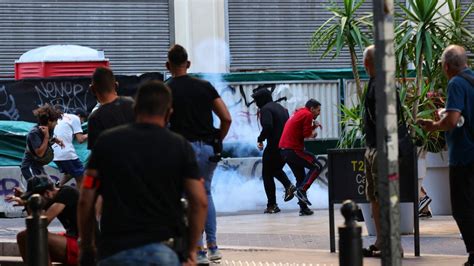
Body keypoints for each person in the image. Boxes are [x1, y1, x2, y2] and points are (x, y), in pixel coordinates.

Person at [77, 80, 208, 265]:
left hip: (115, 250)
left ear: (135, 108)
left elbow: (86, 197)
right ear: (169, 113)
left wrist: (87, 246)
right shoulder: (180, 146)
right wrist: (191, 250)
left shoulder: (107, 142)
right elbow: (200, 201)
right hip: (164, 252)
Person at [166, 44, 232, 264]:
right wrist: (217, 140)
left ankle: (198, 249)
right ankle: (213, 246)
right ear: (189, 63)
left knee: (186, 197)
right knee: (206, 194)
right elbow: (226, 118)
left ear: (168, 65)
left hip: (180, 150)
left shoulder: (167, 89)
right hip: (207, 148)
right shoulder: (205, 86)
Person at [418, 44, 474, 266]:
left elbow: (451, 121)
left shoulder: (456, 83)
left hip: (464, 155)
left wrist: (432, 125)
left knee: (462, 207)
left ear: (446, 66)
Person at [362, 44, 412, 257]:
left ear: (366, 64)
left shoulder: (380, 85)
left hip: (382, 151)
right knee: (375, 195)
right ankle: (382, 241)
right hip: (378, 148)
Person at [6, 177, 79, 265]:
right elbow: (35, 228)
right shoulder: (52, 197)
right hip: (72, 239)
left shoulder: (67, 193)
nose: (37, 202)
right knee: (23, 237)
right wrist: (27, 200)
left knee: (25, 235)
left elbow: (39, 225)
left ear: (47, 193)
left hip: (84, 245)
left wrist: (28, 203)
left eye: (37, 199)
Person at [279, 99, 326, 216]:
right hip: (293, 149)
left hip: (284, 151)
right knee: (317, 166)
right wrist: (314, 132)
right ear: (312, 108)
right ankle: (302, 190)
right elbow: (307, 135)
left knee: (301, 177)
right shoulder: (307, 114)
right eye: (318, 110)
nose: (319, 113)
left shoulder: (299, 112)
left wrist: (313, 126)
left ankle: (303, 208)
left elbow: (300, 131)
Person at [252, 88, 296, 214]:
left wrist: (260, 139)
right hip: (285, 146)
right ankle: (288, 185)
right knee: (275, 169)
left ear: (262, 99)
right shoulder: (281, 108)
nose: (255, 103)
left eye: (256, 100)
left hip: (274, 146)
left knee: (267, 174)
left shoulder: (265, 109)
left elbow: (268, 126)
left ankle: (272, 205)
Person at [87, 66, 134, 150]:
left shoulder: (94, 118)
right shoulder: (133, 105)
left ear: (92, 89)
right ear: (116, 85)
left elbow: (97, 154)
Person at [20, 104, 64, 181]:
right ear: (49, 121)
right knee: (26, 168)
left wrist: (54, 140)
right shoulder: (34, 133)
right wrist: (46, 137)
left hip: (39, 159)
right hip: (34, 156)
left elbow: (46, 143)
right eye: (55, 121)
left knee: (37, 170)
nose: (57, 123)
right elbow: (40, 153)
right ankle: (35, 186)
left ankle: (43, 186)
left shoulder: (49, 129)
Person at [53, 111, 88, 187]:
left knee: (69, 173)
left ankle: (57, 186)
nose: (81, 123)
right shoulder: (75, 118)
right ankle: (80, 198)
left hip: (55, 153)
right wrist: (93, 132)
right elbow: (80, 139)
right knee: (81, 178)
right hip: (66, 153)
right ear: (79, 115)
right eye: (82, 120)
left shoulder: (62, 117)